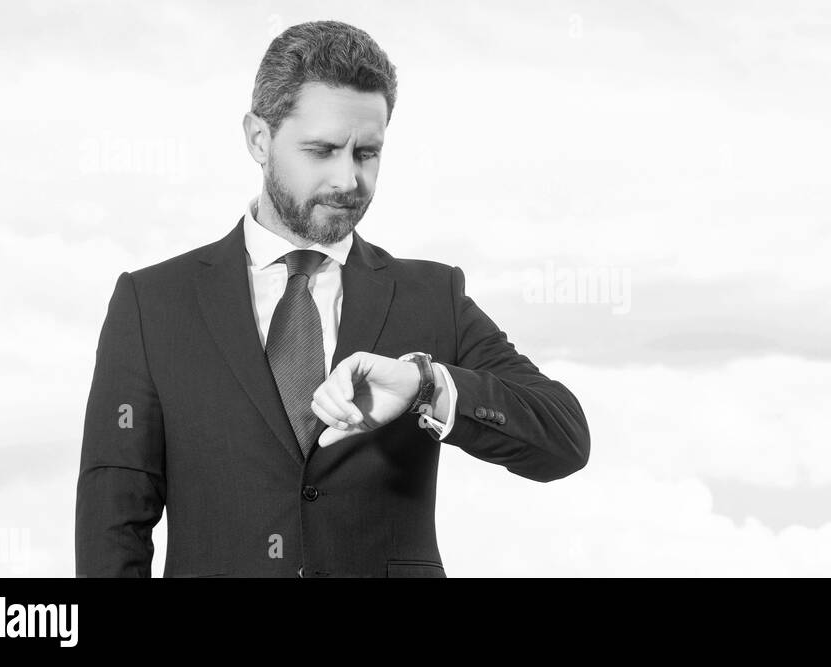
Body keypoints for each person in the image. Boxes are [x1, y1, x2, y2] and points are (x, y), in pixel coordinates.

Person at [75, 20, 590, 578]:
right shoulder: (154, 305)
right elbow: (114, 522)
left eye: (367, 153)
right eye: (321, 150)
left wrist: (426, 386)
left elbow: (563, 437)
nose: (348, 179)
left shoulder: (431, 296)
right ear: (258, 138)